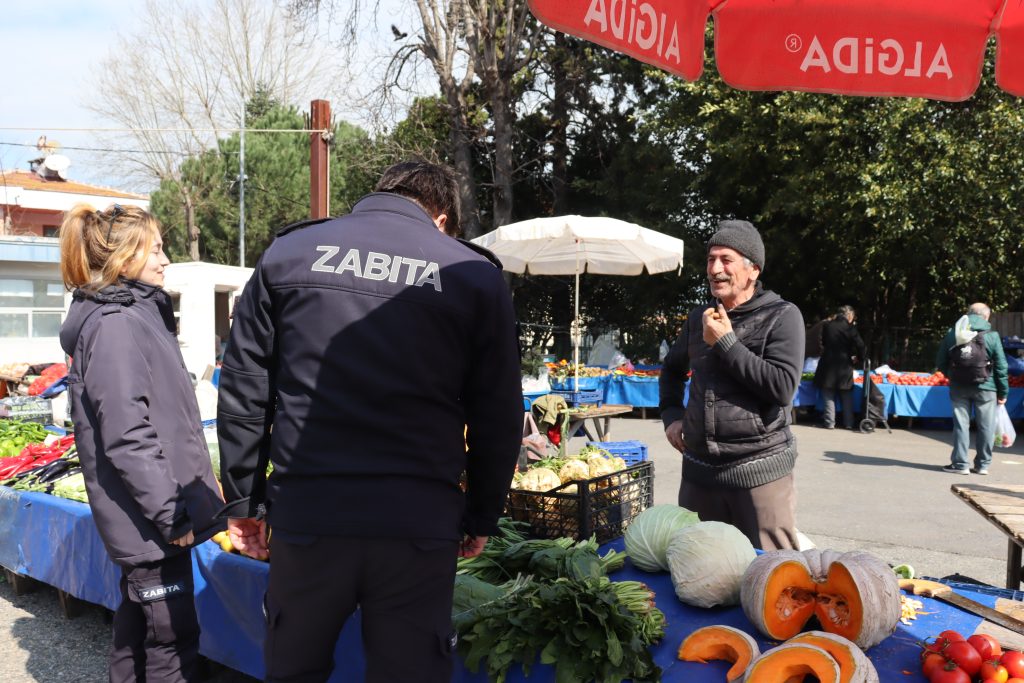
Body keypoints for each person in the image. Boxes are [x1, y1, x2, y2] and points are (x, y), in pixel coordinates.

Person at [217, 161, 523, 682]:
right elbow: (497, 411)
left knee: (294, 670)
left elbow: (246, 389)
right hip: (417, 522)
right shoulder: (471, 274)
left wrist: (244, 502)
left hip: (309, 514)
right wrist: (482, 514)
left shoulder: (289, 254)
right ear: (442, 218)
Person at [58, 203, 224, 683]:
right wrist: (171, 512)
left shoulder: (137, 312)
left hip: (149, 518)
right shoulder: (115, 323)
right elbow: (127, 434)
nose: (165, 258)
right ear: (122, 259)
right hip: (150, 521)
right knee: (171, 643)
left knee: (136, 633)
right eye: (154, 249)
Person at [659, 220, 805, 550]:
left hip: (759, 476)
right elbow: (670, 370)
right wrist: (671, 416)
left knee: (772, 579)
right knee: (700, 575)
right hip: (699, 476)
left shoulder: (782, 316)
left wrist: (726, 341)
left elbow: (782, 388)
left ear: (753, 269)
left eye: (726, 259)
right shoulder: (700, 318)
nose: (715, 268)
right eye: (711, 259)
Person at [936, 302, 1008, 475]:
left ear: (968, 314)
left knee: (961, 425)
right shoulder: (992, 335)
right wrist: (1003, 391)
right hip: (987, 386)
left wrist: (952, 375)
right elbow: (1001, 366)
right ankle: (983, 465)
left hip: (959, 386)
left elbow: (940, 361)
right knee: (986, 426)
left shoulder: (954, 332)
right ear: (986, 316)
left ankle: (960, 465)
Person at [813, 305, 867, 430]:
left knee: (828, 394)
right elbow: (861, 345)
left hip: (828, 363)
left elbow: (824, 342)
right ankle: (848, 423)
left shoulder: (828, 326)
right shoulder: (850, 328)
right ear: (849, 316)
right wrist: (860, 358)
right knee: (846, 394)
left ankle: (830, 422)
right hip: (844, 365)